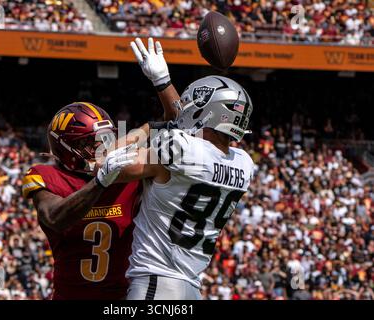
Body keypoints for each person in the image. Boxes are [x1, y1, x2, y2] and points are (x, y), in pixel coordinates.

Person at [21, 37, 181, 299]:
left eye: (105, 138)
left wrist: (162, 81)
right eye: (91, 143)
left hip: (123, 298)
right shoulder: (47, 176)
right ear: (66, 147)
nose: (103, 147)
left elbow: (179, 124)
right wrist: (101, 182)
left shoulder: (124, 168)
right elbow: (54, 218)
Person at [111, 72, 255, 299]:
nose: (186, 111)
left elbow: (107, 164)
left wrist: (151, 127)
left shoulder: (181, 149)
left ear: (208, 113)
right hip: (191, 288)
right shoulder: (244, 164)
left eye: (193, 106)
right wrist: (163, 82)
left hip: (156, 283)